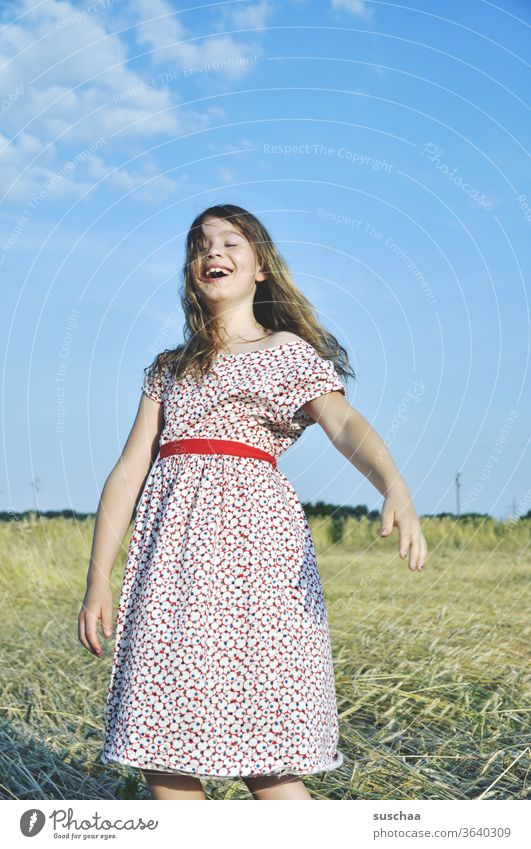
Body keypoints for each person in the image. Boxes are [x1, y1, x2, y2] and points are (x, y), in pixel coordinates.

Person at [78, 203, 428, 801]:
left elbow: (344, 425)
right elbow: (129, 469)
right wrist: (98, 578)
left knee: (265, 752)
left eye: (230, 242)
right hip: (170, 568)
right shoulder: (169, 367)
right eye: (200, 245)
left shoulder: (287, 350)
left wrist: (393, 485)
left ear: (260, 266)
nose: (212, 252)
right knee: (163, 746)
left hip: (254, 565)